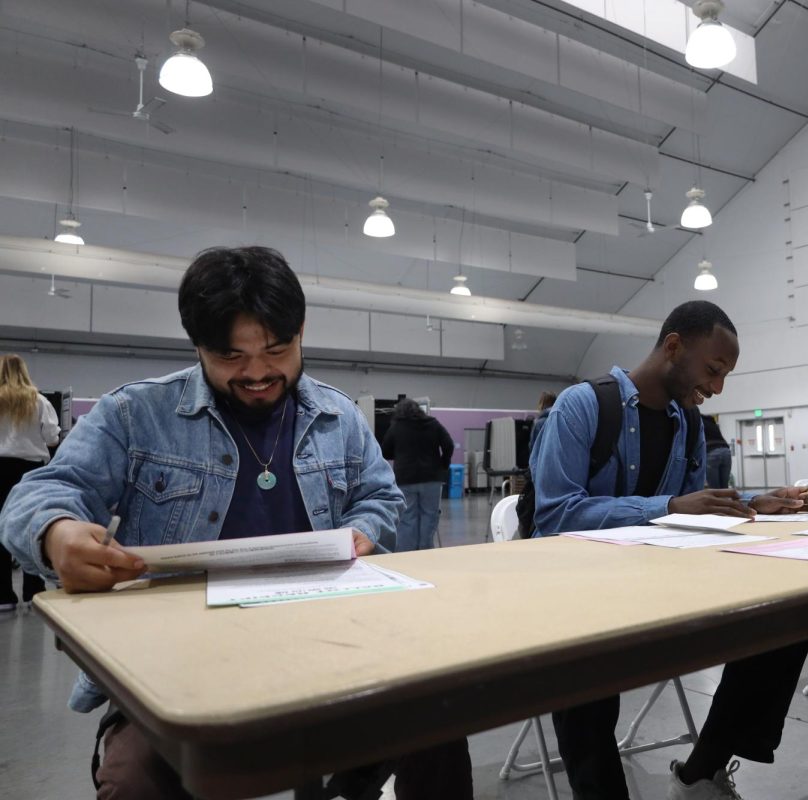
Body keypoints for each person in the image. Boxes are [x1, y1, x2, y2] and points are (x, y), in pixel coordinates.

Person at [0, 247, 472, 800]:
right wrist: (58, 531)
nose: (257, 372)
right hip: (180, 662)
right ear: (197, 345)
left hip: (334, 645)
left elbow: (379, 494)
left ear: (301, 332)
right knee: (135, 783)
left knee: (441, 722)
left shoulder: (339, 418)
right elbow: (40, 492)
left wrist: (365, 528)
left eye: (277, 349)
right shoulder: (136, 414)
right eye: (230, 356)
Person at [530, 299, 808, 800]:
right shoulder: (581, 406)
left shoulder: (684, 422)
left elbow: (694, 506)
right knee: (585, 671)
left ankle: (701, 770)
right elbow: (555, 514)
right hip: (577, 590)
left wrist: (759, 502)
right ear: (673, 346)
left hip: (655, 580)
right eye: (713, 370)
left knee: (787, 614)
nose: (716, 388)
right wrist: (666, 504)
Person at [0, 353, 60, 610]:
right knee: (31, 527)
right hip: (29, 469)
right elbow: (52, 438)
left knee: (0, 530)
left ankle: (3, 596)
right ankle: (33, 591)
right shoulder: (39, 401)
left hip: (0, 468)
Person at [381, 399, 454, 550]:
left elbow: (385, 451)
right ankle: (425, 551)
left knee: (407, 517)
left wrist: (400, 455)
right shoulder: (433, 424)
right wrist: (443, 465)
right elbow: (449, 445)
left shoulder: (397, 427)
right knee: (429, 516)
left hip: (405, 479)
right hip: (431, 478)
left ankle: (408, 554)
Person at [701, 413, 732, 489]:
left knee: (715, 489)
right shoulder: (712, 423)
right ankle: (726, 500)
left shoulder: (698, 422)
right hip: (726, 451)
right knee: (724, 488)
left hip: (711, 452)